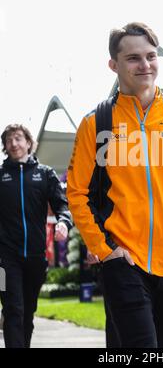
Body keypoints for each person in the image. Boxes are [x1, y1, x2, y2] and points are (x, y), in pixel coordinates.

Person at [67, 22, 163, 348]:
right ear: (114, 65)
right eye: (133, 58)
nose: (145, 65)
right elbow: (76, 192)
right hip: (124, 262)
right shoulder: (97, 123)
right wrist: (105, 250)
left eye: (151, 56)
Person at [0, 124, 73, 348]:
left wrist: (63, 222)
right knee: (13, 309)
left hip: (34, 256)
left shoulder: (45, 174)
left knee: (27, 312)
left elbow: (62, 206)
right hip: (4, 259)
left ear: (29, 143)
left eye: (18, 138)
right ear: (4, 146)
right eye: (9, 140)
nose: (14, 143)